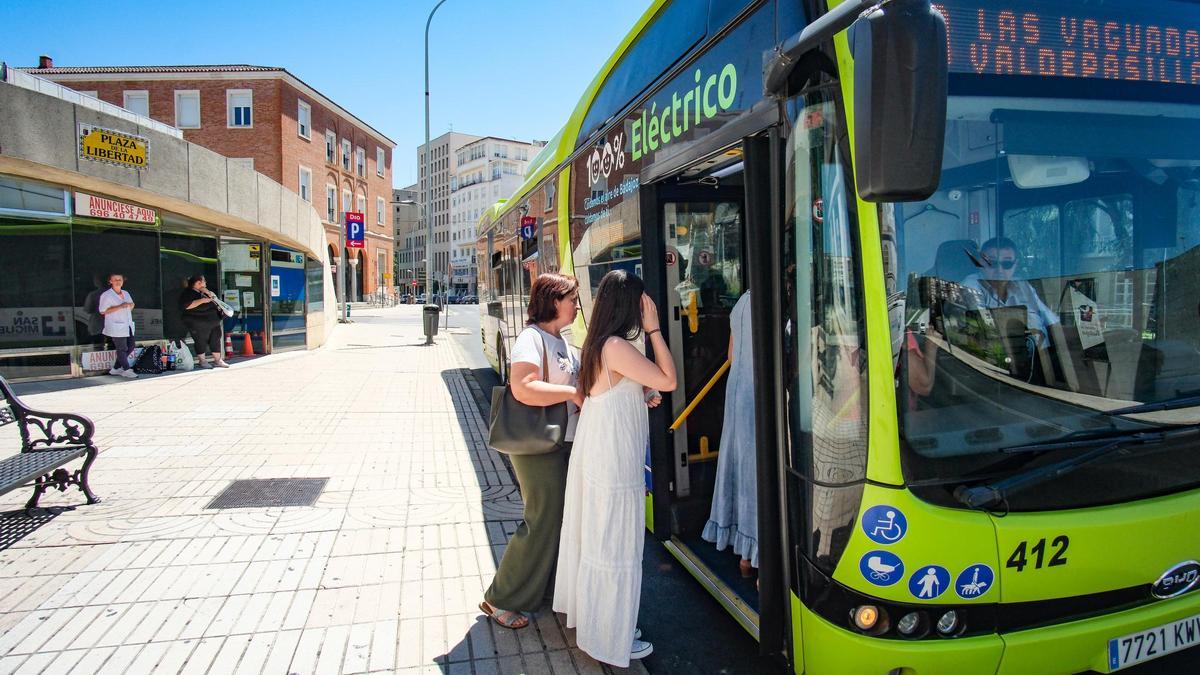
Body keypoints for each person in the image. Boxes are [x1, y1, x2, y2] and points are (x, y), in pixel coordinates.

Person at [554, 270, 677, 666]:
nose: (645, 309)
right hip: (613, 458)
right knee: (615, 545)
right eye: (642, 303)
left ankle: (604, 625)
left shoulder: (600, 343)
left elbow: (616, 389)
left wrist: (640, 392)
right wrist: (655, 330)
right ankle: (610, 638)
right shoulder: (617, 346)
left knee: (602, 540)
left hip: (602, 451)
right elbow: (670, 380)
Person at [479, 273, 583, 630]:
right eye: (572, 298)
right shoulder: (531, 338)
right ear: (554, 300)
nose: (576, 305)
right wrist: (572, 393)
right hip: (538, 444)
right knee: (541, 519)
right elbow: (522, 387)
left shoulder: (561, 340)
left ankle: (543, 590)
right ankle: (500, 598)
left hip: (560, 441)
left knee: (557, 518)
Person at [702, 290, 759, 579]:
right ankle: (757, 553)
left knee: (739, 468)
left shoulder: (741, 303)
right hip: (758, 396)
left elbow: (731, 355)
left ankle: (745, 555)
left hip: (737, 392)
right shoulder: (773, 300)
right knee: (757, 474)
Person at [962, 237, 1059, 337]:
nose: (999, 270)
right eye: (992, 263)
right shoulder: (971, 286)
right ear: (981, 262)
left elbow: (1053, 323)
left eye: (1007, 264)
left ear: (1015, 265)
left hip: (1043, 346)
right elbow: (986, 331)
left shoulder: (1023, 286)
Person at [179, 275, 229, 369]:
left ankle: (218, 360)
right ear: (198, 283)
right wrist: (202, 301)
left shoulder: (206, 292)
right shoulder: (188, 293)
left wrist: (208, 293)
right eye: (204, 281)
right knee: (200, 341)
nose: (205, 283)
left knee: (215, 339)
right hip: (198, 323)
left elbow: (216, 301)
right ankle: (202, 361)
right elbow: (186, 306)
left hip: (213, 322)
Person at [98, 273, 137, 379]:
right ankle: (126, 369)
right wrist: (120, 306)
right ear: (110, 281)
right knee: (122, 348)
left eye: (120, 279)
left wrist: (131, 305)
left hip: (127, 324)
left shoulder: (126, 293)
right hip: (116, 325)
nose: (118, 281)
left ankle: (115, 368)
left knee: (131, 346)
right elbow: (102, 311)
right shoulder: (106, 295)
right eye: (115, 279)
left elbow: (130, 306)